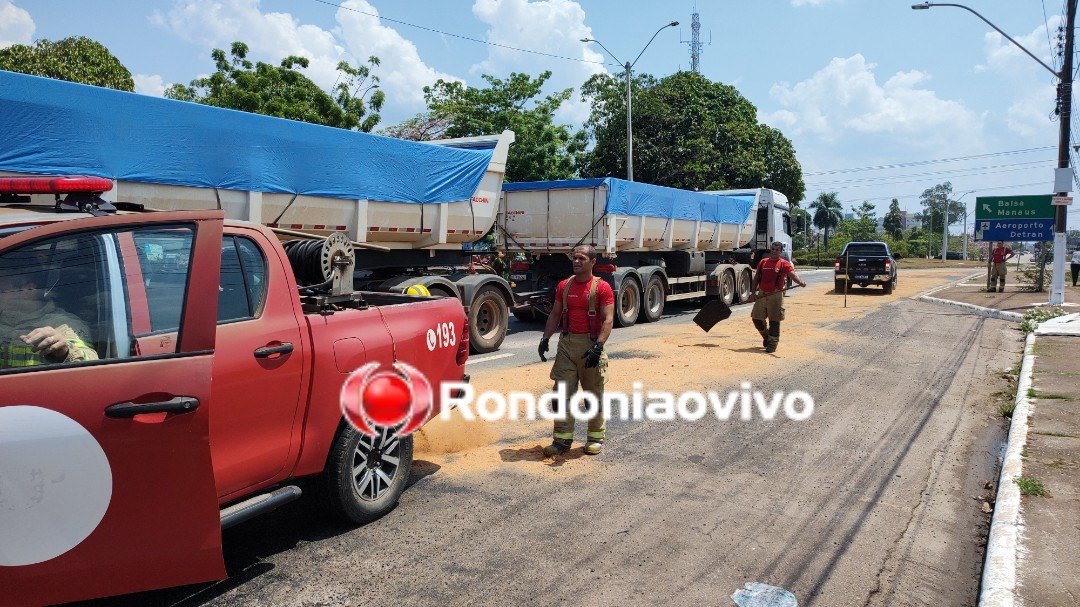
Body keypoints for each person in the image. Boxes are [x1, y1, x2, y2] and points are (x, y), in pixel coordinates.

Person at [537, 245, 615, 456]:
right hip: (567, 346)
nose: (576, 261)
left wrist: (598, 346)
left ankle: (595, 437)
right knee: (561, 394)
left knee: (593, 394)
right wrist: (545, 339)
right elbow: (554, 314)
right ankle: (562, 440)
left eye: (581, 258)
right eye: (574, 258)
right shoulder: (564, 286)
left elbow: (608, 319)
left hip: (591, 346)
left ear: (592, 262)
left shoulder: (602, 288)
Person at [0, 264, 98, 369]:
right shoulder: (3, 321)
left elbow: (92, 369)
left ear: (29, 290)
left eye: (1, 290)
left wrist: (65, 352)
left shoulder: (64, 325)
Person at [748, 242, 806, 354]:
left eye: (776, 250)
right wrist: (753, 293)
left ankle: (772, 345)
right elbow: (756, 278)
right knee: (756, 319)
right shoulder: (763, 262)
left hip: (775, 295)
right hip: (762, 294)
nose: (774, 251)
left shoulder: (784, 264)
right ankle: (766, 336)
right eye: (772, 249)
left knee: (774, 321)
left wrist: (800, 282)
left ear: (780, 251)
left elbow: (792, 275)